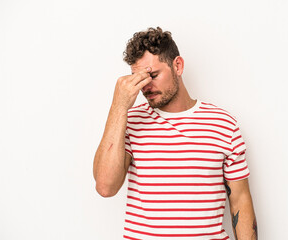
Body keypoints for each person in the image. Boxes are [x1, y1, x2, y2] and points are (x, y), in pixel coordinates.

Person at [93, 26, 258, 240]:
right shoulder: (129, 121)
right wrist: (119, 105)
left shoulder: (223, 124)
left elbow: (240, 200)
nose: (145, 86)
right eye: (138, 79)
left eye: (152, 75)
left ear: (177, 65)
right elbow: (105, 187)